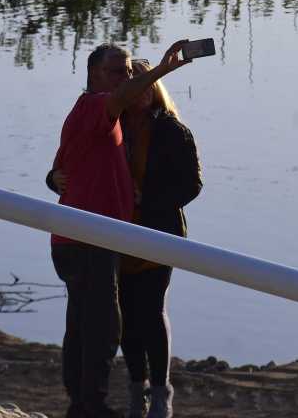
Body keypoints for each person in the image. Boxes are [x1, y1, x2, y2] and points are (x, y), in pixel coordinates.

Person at [49, 59, 202, 418]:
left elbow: (191, 184)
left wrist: (146, 200)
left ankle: (161, 392)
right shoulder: (109, 121)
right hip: (116, 237)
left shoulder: (171, 130)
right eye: (132, 82)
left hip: (158, 234)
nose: (138, 89)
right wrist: (53, 177)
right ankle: (136, 390)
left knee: (151, 310)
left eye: (144, 83)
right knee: (125, 317)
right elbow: (74, 162)